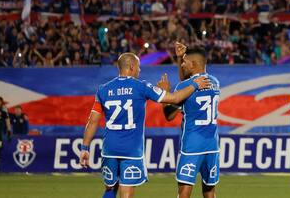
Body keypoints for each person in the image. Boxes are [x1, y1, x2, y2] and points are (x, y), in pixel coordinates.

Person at [78, 53, 210, 198]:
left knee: (110, 188)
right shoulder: (141, 87)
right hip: (131, 151)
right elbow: (175, 98)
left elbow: (93, 121)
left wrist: (85, 148)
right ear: (132, 67)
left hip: (110, 148)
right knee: (126, 192)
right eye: (139, 67)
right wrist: (195, 84)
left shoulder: (103, 89)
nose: (140, 70)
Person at [162, 42, 221, 198]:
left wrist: (165, 94)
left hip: (192, 146)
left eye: (185, 62)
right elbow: (188, 82)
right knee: (209, 192)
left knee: (184, 193)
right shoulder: (214, 82)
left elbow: (169, 115)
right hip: (212, 145)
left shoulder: (186, 86)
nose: (182, 64)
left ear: (193, 64)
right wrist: (180, 56)